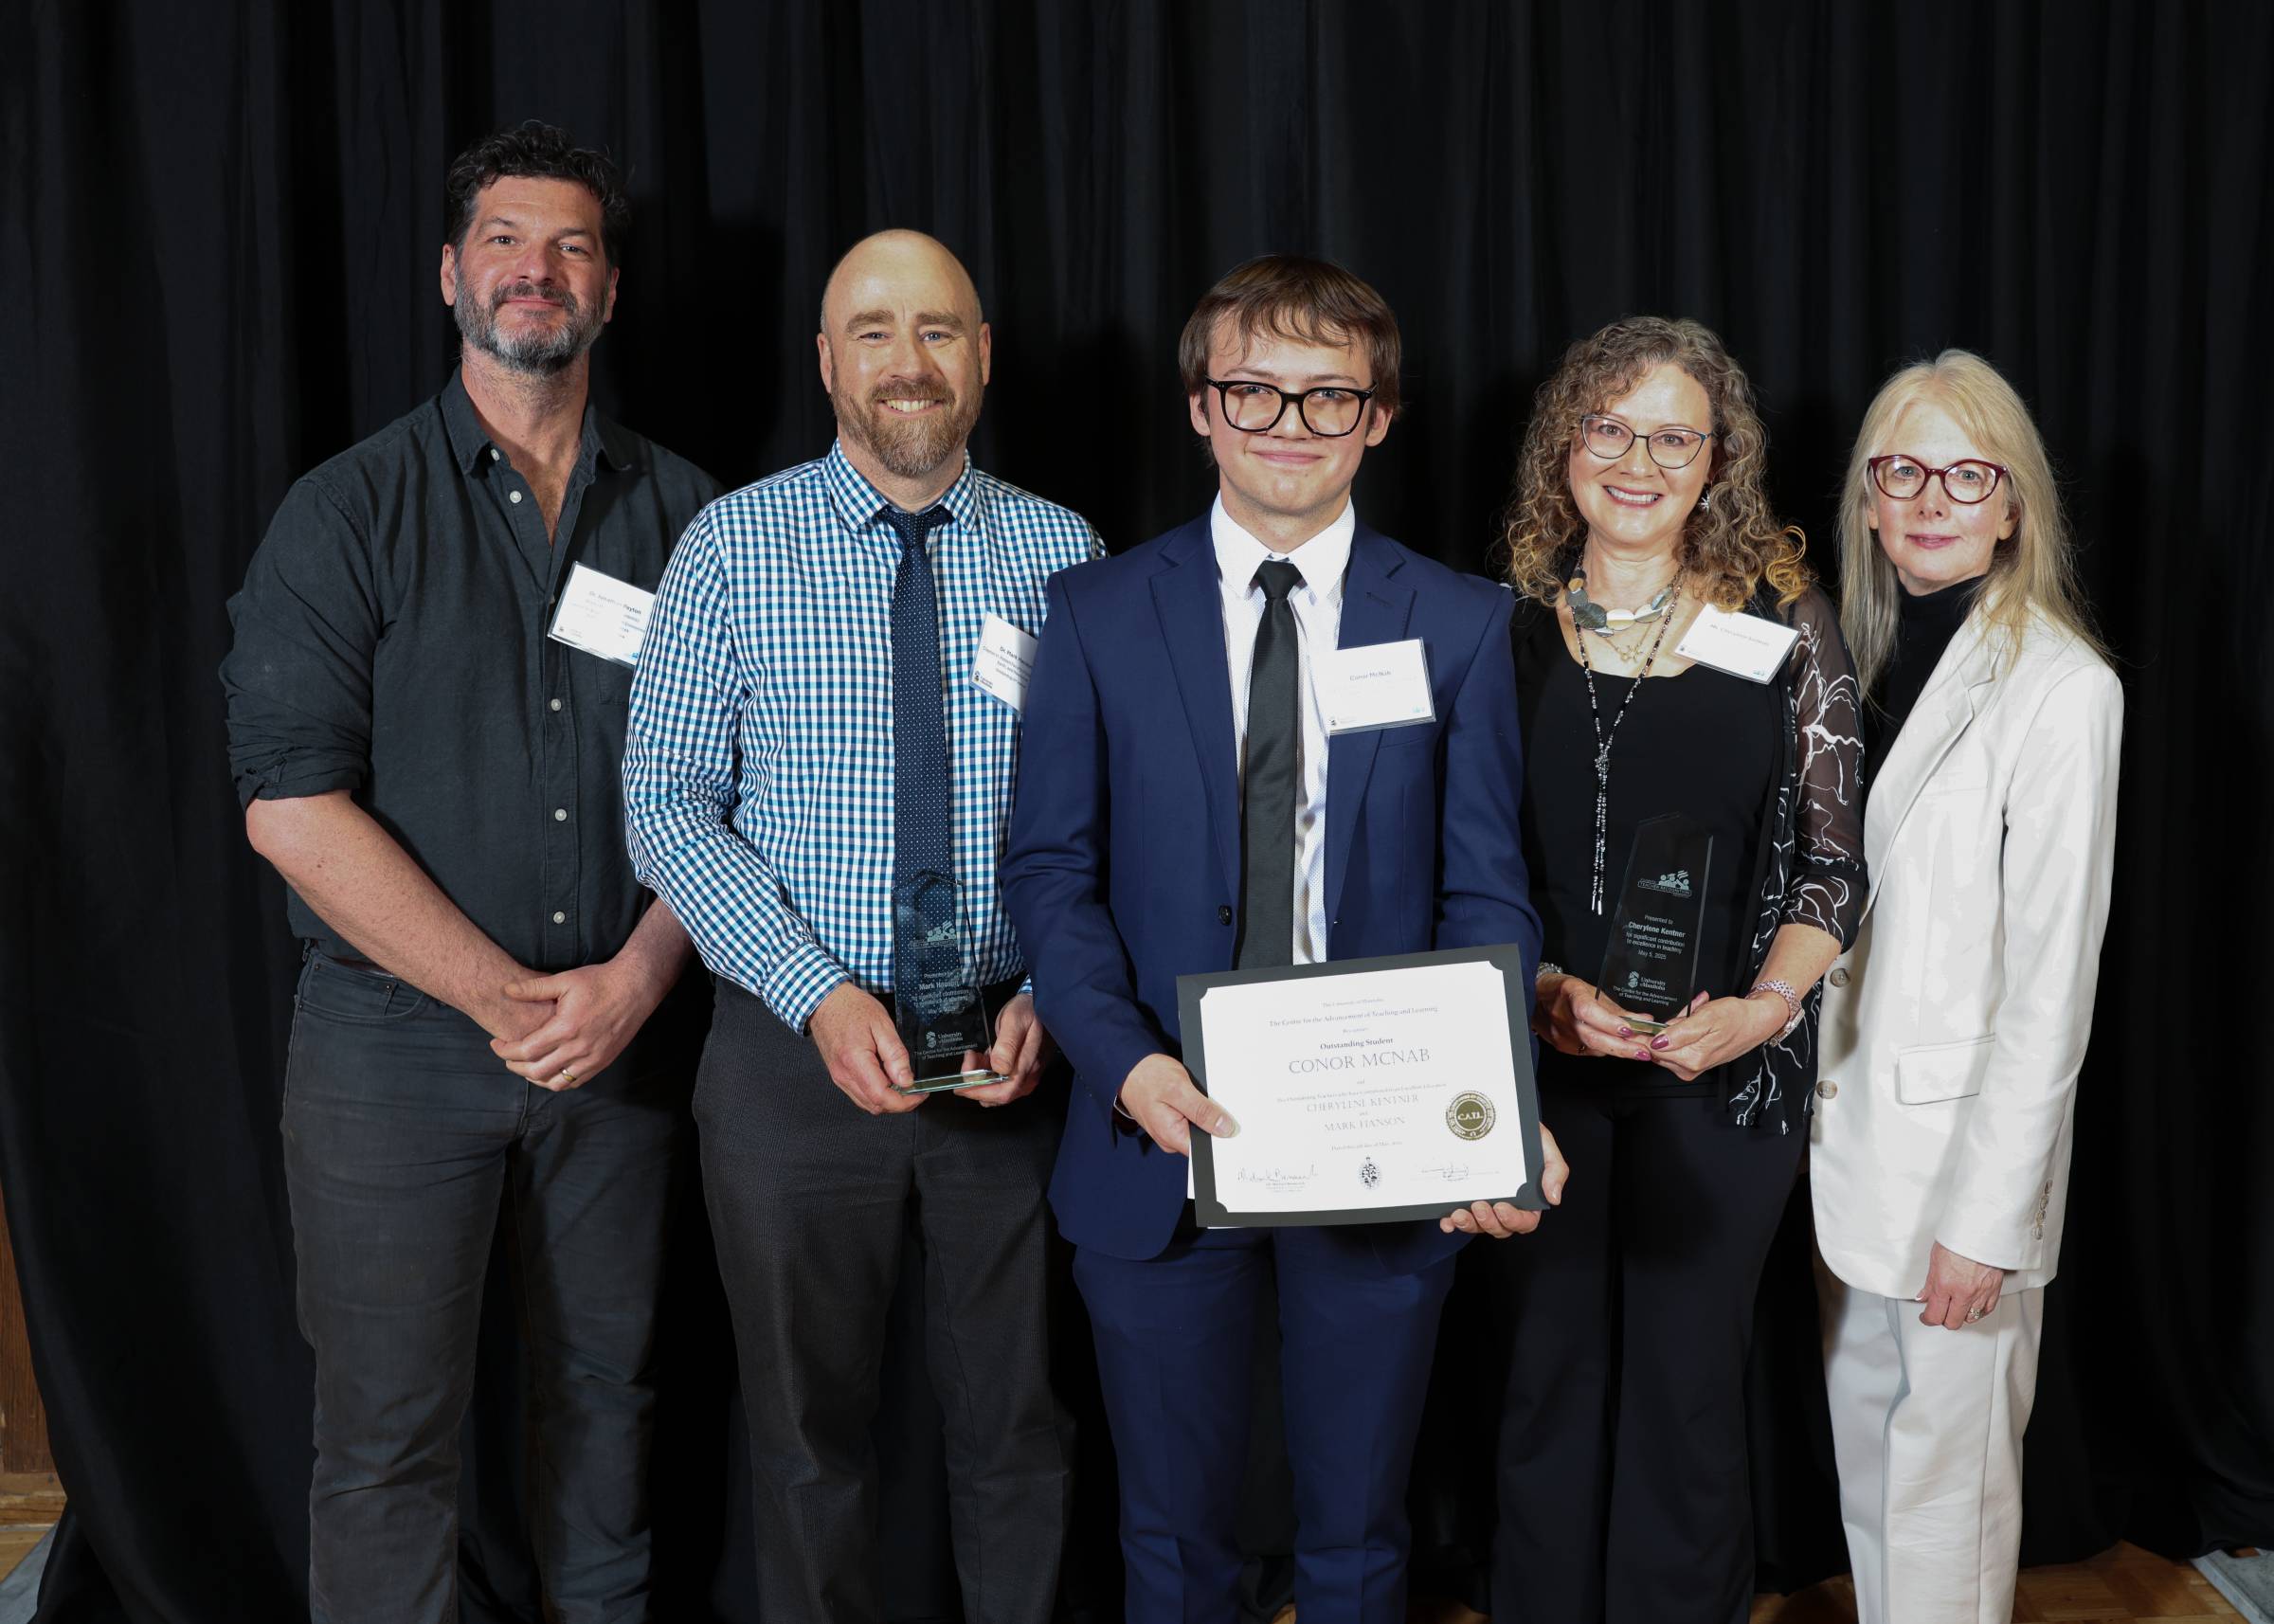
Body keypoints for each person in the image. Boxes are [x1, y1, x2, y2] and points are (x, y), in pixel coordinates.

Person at [1001, 254, 1561, 1624]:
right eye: (1253, 389)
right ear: (1200, 407)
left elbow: (1486, 892)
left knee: (1360, 1532)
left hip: (1378, 1142)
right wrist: (1123, 1063)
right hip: (1159, 1129)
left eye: (1328, 398)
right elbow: (1051, 872)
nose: (1287, 425)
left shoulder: (1463, 625)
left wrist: (1493, 1112)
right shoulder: (1094, 614)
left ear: (1380, 419)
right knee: (1172, 1537)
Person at [220, 122, 720, 1624]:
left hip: (624, 1041)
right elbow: (291, 810)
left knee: (609, 1403)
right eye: (505, 239)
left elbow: (754, 787)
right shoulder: (344, 512)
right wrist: (511, 997)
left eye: (570, 244)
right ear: (451, 274)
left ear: (611, 290)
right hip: (392, 1047)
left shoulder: (697, 519)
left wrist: (633, 980)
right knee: (387, 1438)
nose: (535, 269)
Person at [621, 229, 1094, 1622]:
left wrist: (1059, 994)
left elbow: (1114, 813)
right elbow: (665, 803)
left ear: (985, 357)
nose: (908, 360)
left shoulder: (1065, 551)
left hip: (1010, 1044)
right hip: (789, 1052)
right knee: (805, 1436)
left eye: (939, 329)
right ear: (825, 360)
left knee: (1020, 1425)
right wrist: (813, 989)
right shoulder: (729, 544)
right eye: (873, 331)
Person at [1489, 316, 1865, 1623]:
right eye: (1609, 427)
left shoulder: (1782, 624)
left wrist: (1765, 1009)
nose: (1638, 460)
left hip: (1721, 1083)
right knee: (1548, 1380)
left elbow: (1834, 868)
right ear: (1565, 446)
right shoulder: (1505, 631)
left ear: (1717, 463)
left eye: (1673, 435)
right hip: (1544, 1075)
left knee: (1685, 1392)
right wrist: (1537, 993)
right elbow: (1468, 864)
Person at [1812, 350, 2121, 1624]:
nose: (1932, 498)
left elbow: (2054, 983)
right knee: (1877, 1485)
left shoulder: (2062, 688)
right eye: (1903, 469)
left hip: (1957, 1178)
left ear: (2012, 503)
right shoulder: (1857, 666)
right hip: (1850, 1156)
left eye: (1967, 471)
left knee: (1949, 1505)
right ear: (1870, 500)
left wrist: (1990, 1219)